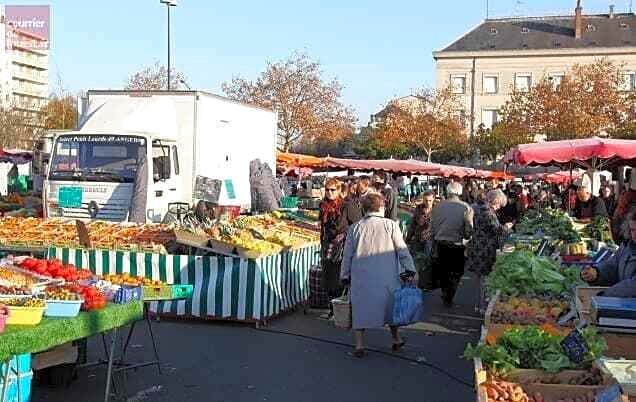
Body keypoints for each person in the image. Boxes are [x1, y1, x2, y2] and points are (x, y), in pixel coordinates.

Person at [340, 193, 416, 358]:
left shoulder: (355, 228)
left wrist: (345, 275)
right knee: (390, 307)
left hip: (361, 277)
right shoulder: (391, 225)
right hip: (387, 275)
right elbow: (402, 249)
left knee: (360, 309)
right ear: (381, 208)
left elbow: (347, 255)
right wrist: (410, 269)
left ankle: (360, 345)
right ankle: (396, 338)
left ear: (364, 209)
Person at [466, 190, 514, 312]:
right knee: (484, 278)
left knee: (480, 279)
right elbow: (498, 230)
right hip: (485, 249)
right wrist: (507, 227)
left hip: (477, 246)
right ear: (495, 201)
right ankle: (482, 306)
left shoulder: (478, 208)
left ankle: (479, 304)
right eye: (499, 205)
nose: (499, 208)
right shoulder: (488, 212)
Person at [430, 181, 474, 307]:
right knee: (455, 272)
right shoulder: (466, 207)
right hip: (456, 244)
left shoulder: (438, 206)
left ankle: (445, 292)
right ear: (460, 192)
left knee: (443, 271)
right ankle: (449, 296)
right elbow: (468, 230)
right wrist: (467, 236)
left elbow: (432, 227)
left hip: (440, 243)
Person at [580, 214, 636, 297]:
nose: (634, 235)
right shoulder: (627, 246)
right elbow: (613, 265)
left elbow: (632, 286)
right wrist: (596, 273)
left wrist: (607, 295)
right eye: (633, 230)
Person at [319, 178, 348, 318]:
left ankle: (338, 308)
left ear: (339, 190)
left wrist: (343, 235)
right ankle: (332, 307)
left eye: (332, 190)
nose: (329, 193)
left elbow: (356, 224)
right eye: (327, 190)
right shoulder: (323, 205)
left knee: (337, 276)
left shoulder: (346, 206)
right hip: (327, 243)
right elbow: (322, 225)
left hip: (342, 245)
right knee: (327, 276)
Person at [406, 190, 436, 290]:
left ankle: (425, 284)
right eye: (426, 200)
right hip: (418, 239)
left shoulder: (436, 210)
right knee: (416, 261)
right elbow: (413, 225)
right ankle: (416, 282)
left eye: (430, 200)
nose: (427, 203)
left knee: (427, 262)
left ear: (433, 200)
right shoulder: (418, 209)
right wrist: (408, 239)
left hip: (430, 240)